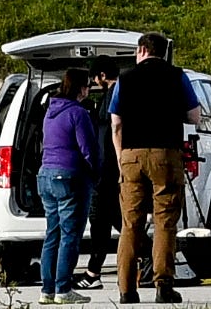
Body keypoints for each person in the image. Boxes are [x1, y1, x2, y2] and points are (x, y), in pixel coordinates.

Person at [109, 30, 191, 304]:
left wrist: (122, 157)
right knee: (165, 221)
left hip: (131, 156)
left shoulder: (125, 78)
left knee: (131, 223)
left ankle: (126, 289)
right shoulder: (178, 76)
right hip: (165, 154)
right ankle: (163, 285)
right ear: (163, 51)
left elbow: (116, 123)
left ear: (141, 50)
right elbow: (195, 116)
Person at [36, 75, 105, 304]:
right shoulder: (78, 113)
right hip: (70, 176)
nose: (88, 90)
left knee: (52, 234)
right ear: (81, 89)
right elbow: (88, 148)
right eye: (87, 86)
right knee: (70, 235)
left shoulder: (50, 112)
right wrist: (96, 173)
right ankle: (63, 289)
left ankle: (47, 290)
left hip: (46, 174)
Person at [79, 63, 122, 288]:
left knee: (100, 219)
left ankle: (93, 273)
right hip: (112, 170)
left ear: (102, 75)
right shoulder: (116, 93)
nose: (94, 83)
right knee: (111, 219)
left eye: (94, 78)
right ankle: (93, 271)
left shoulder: (112, 95)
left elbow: (111, 131)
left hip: (105, 170)